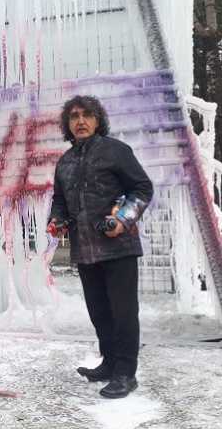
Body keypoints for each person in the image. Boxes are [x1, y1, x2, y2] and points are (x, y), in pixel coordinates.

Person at [48, 95, 153, 399]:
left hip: (118, 246)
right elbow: (59, 200)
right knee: (99, 312)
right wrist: (57, 220)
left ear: (98, 120)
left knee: (123, 312)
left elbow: (142, 188)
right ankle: (109, 363)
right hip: (85, 250)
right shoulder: (65, 162)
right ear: (68, 124)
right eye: (74, 116)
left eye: (87, 115)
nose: (80, 121)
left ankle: (125, 372)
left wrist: (124, 218)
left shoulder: (116, 151)